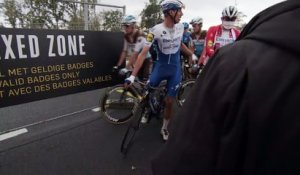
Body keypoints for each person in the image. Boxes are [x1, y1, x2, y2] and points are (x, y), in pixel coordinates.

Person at [152, 0, 300, 174]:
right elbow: (208, 48)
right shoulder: (213, 30)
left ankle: (170, 126)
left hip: (229, 65)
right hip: (217, 62)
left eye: (231, 17)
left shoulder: (237, 32)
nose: (228, 20)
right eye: (226, 17)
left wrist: (193, 55)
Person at [125, 0, 198, 141]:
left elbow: (180, 44)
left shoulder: (181, 28)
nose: (182, 14)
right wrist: (132, 76)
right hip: (161, 67)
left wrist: (191, 54)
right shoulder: (154, 30)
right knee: (148, 91)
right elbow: (142, 53)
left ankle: (164, 128)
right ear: (171, 11)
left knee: (170, 101)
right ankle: (147, 110)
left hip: (175, 69)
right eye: (179, 11)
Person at [113, 15, 152, 80]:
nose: (125, 28)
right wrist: (118, 65)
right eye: (124, 26)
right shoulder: (126, 36)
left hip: (146, 59)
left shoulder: (140, 35)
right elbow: (124, 51)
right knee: (137, 78)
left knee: (144, 80)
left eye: (127, 26)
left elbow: (135, 53)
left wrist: (126, 67)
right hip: (136, 59)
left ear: (133, 26)